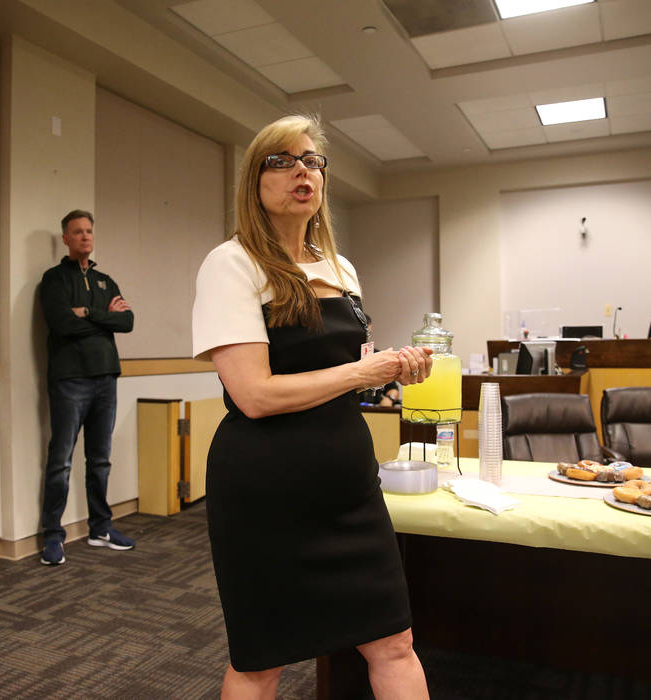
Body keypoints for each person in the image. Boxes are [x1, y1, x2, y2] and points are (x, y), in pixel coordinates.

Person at [192, 115, 432, 699]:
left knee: (393, 640)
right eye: (283, 161)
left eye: (312, 161)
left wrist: (392, 372)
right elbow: (254, 394)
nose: (303, 171)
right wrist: (363, 371)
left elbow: (339, 375)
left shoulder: (340, 268)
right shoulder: (232, 262)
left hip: (346, 479)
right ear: (255, 180)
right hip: (267, 485)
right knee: (263, 659)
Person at [39, 209, 135, 566]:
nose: (84, 237)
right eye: (77, 232)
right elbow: (61, 324)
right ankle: (53, 534)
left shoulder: (105, 281)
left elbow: (126, 321)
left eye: (89, 231)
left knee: (100, 459)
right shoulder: (54, 280)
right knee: (61, 460)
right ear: (65, 238)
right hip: (70, 381)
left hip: (105, 378)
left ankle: (100, 528)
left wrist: (90, 313)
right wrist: (100, 317)